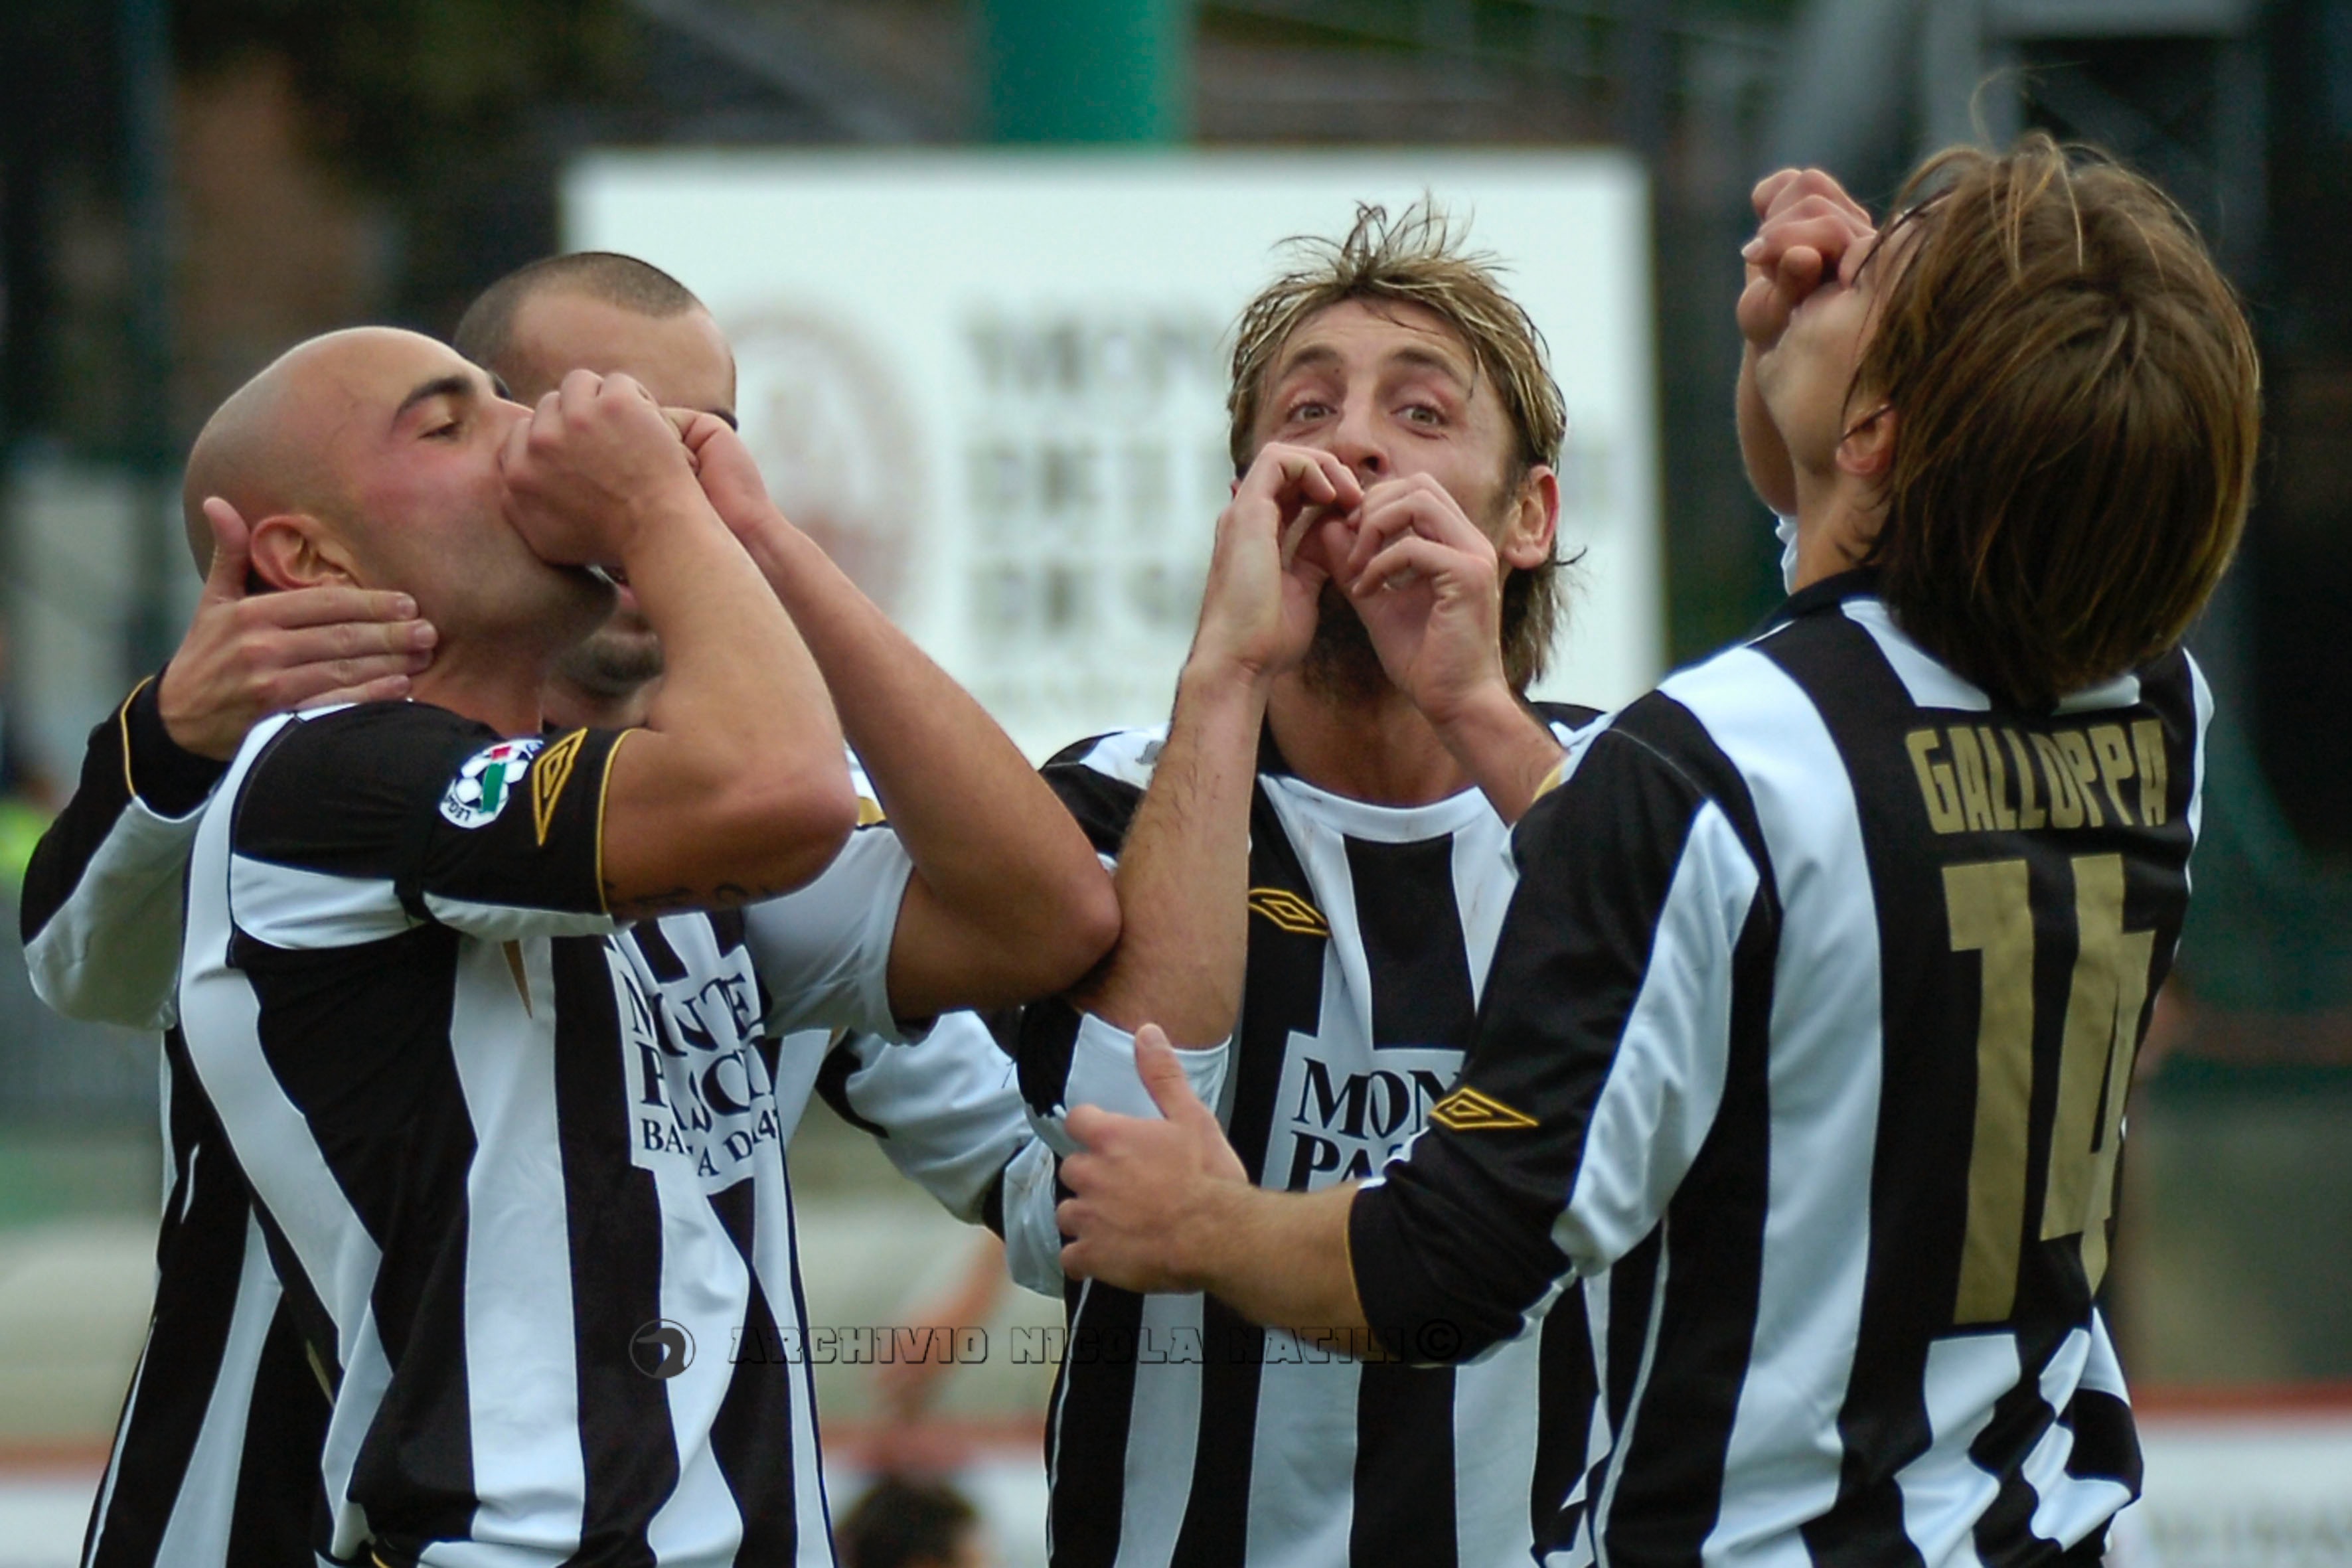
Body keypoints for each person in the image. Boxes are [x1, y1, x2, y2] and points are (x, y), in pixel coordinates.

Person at [1051, 136, 2260, 1563]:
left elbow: (1448, 1262)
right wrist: (1481, 702)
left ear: (1873, 435)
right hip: (2040, 1521)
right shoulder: (2158, 710)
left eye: (1872, 275)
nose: (1824, 253)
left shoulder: (1713, 760)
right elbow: (1750, 824)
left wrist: (1205, 1221)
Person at [25, 255, 1105, 1567]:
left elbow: (1042, 927)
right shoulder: (307, 771)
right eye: (576, 411)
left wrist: (756, 539)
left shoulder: (730, 816)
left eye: (695, 433)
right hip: (291, 1520)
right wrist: (166, 735)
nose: (637, 452)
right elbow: (84, 962)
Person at [1001, 201, 1605, 1567]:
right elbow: (1110, 1145)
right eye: (1308, 411)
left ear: (1528, 516)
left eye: (1421, 412)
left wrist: (1470, 701)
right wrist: (1226, 670)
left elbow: (1712, 1001)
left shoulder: (1632, 793)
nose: (1355, 443)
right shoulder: (1107, 799)